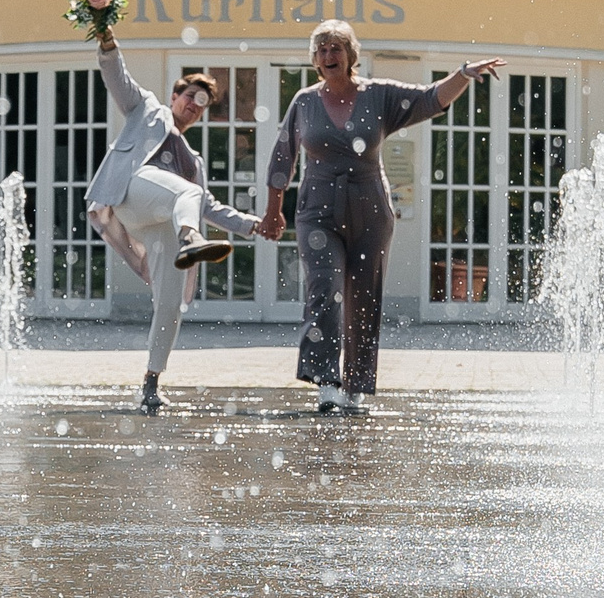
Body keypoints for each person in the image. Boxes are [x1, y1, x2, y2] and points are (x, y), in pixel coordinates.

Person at [261, 22, 502, 414]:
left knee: (364, 297)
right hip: (317, 209)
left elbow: (429, 99)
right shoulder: (304, 102)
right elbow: (281, 157)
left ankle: (356, 384)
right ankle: (326, 380)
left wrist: (462, 75)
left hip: (369, 208)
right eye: (321, 49)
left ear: (351, 55)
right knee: (324, 289)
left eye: (336, 48)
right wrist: (273, 211)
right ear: (314, 60)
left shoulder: (379, 96)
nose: (328, 55)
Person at [88, 24, 269, 414]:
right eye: (190, 96)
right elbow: (117, 78)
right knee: (186, 195)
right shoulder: (148, 111)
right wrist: (106, 37)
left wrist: (255, 224)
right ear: (175, 96)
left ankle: (152, 382)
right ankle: (191, 238)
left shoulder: (193, 162)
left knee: (171, 302)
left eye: (202, 102)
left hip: (159, 220)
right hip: (130, 194)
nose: (194, 104)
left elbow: (209, 206)